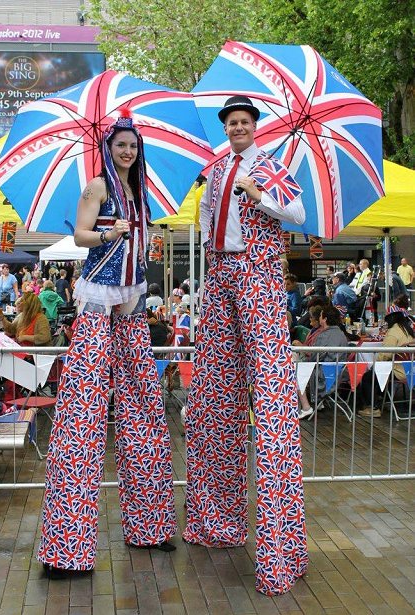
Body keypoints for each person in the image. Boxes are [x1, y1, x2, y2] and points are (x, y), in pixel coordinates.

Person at [37, 111, 177, 580]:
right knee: (84, 411)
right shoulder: (96, 187)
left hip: (132, 300)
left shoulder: (141, 191)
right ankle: (67, 549)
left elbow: (140, 241)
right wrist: (106, 233)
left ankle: (151, 525)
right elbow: (78, 236)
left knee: (143, 407)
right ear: (108, 147)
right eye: (120, 144)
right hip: (99, 296)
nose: (127, 151)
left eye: (133, 146)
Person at [183, 95, 308, 595]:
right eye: (231, 123)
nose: (237, 128)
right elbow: (205, 220)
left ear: (255, 127)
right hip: (219, 276)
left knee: (270, 397)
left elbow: (296, 213)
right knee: (214, 397)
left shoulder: (272, 165)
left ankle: (280, 544)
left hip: (257, 276)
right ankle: (215, 518)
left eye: (243, 122)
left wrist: (258, 193)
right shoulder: (215, 169)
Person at [357, 311, 415, 417]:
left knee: (368, 377)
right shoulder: (407, 330)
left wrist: (375, 364)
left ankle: (372, 407)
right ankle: (386, 400)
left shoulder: (393, 332)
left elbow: (385, 354)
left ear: (392, 319)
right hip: (410, 369)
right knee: (379, 375)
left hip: (399, 370)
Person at [296, 305, 349, 419]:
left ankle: (305, 407)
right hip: (338, 375)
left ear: (324, 319)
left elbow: (314, 358)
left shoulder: (324, 336)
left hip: (324, 377)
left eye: (320, 316)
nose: (319, 318)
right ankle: (317, 404)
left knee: (295, 372)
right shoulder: (341, 334)